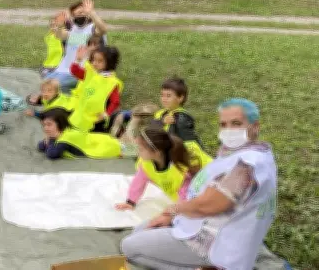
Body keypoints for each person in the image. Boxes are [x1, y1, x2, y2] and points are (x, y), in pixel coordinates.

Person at [121, 98, 278, 270]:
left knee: (130, 248)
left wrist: (172, 211)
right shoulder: (236, 154)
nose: (228, 130)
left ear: (255, 126)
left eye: (236, 123)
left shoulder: (247, 165)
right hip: (194, 223)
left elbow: (208, 205)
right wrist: (172, 216)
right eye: (223, 124)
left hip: (210, 241)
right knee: (139, 232)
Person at [115, 127, 212, 211]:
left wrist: (179, 211)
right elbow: (138, 181)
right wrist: (130, 202)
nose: (137, 152)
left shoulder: (180, 168)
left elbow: (187, 193)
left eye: (140, 149)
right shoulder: (146, 164)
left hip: (210, 183)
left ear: (156, 152)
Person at [45, 0, 108, 94]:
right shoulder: (73, 29)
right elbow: (60, 35)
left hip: (84, 71)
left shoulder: (93, 28)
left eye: (83, 12)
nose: (80, 15)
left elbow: (103, 29)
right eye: (77, 14)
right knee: (45, 83)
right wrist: (57, 26)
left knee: (53, 87)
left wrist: (92, 12)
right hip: (66, 69)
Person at [67, 45, 123, 133]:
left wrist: (106, 114)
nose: (95, 63)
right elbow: (75, 71)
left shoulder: (111, 82)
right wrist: (77, 59)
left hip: (96, 120)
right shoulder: (91, 73)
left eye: (100, 61)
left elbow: (115, 102)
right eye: (93, 60)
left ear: (109, 62)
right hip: (82, 114)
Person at [37, 108, 121, 160]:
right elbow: (40, 146)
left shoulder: (64, 141)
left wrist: (50, 139)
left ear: (60, 124)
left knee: (125, 149)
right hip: (99, 140)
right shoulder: (64, 131)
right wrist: (48, 140)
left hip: (104, 146)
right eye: (44, 125)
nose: (45, 128)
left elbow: (51, 154)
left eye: (49, 125)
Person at [153, 77, 204, 148]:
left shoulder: (182, 117)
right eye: (162, 95)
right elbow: (150, 130)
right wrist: (162, 122)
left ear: (180, 98)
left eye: (168, 96)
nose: (164, 99)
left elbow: (188, 142)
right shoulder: (160, 113)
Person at [40, 13, 66, 79]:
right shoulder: (47, 37)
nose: (53, 27)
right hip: (46, 66)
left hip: (58, 66)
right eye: (52, 25)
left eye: (55, 25)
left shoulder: (63, 35)